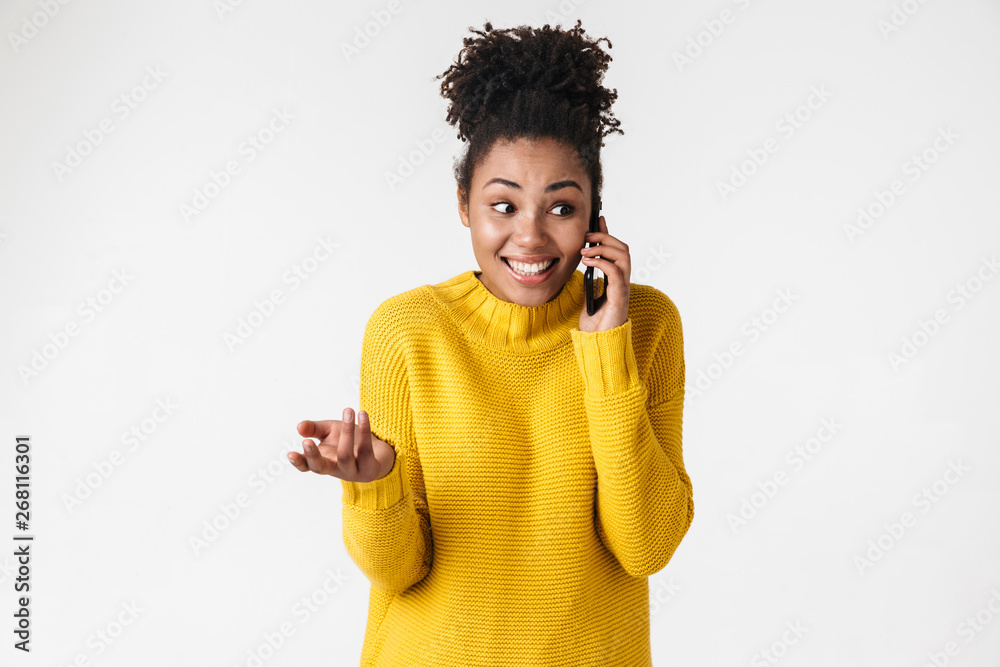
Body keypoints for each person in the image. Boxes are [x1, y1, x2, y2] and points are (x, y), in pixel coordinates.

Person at [287, 19, 694, 666]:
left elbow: (645, 545)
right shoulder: (407, 331)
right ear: (463, 204)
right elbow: (397, 570)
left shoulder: (645, 325)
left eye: (561, 207)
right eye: (502, 205)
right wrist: (376, 484)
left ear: (595, 215)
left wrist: (606, 350)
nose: (530, 236)